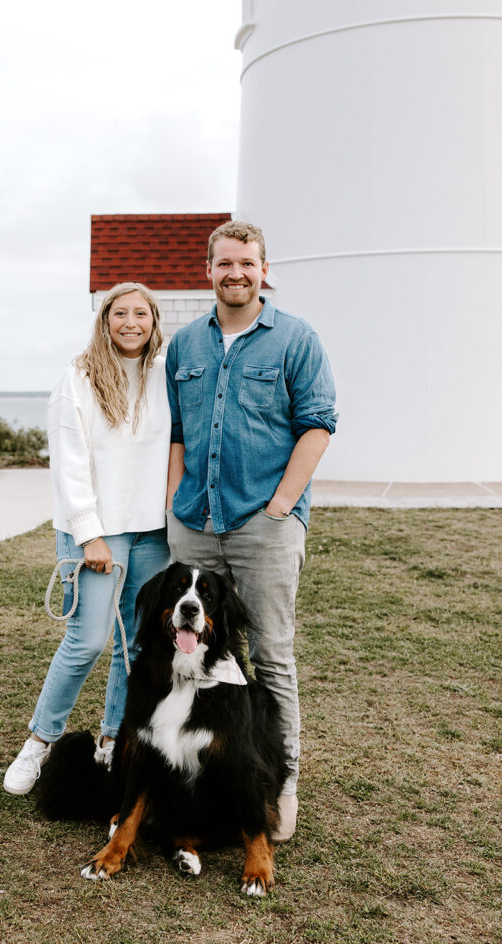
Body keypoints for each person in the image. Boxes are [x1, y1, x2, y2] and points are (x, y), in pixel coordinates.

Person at [164, 220, 337, 842]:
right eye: (224, 263)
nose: (235, 273)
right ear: (207, 270)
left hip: (265, 526)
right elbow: (178, 433)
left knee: (269, 655)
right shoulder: (184, 344)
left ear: (264, 269)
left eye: (247, 263)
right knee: (191, 657)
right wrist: (172, 501)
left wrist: (283, 504)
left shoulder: (295, 339)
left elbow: (318, 425)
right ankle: (193, 765)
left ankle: (279, 782)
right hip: (194, 527)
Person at [4, 283, 171, 795]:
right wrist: (89, 534)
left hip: (153, 532)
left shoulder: (165, 374)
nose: (130, 322)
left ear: (154, 321)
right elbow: (69, 464)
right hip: (96, 532)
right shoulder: (76, 378)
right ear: (104, 320)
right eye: (119, 312)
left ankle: (112, 740)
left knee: (135, 645)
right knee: (87, 641)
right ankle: (39, 742)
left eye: (140, 313)